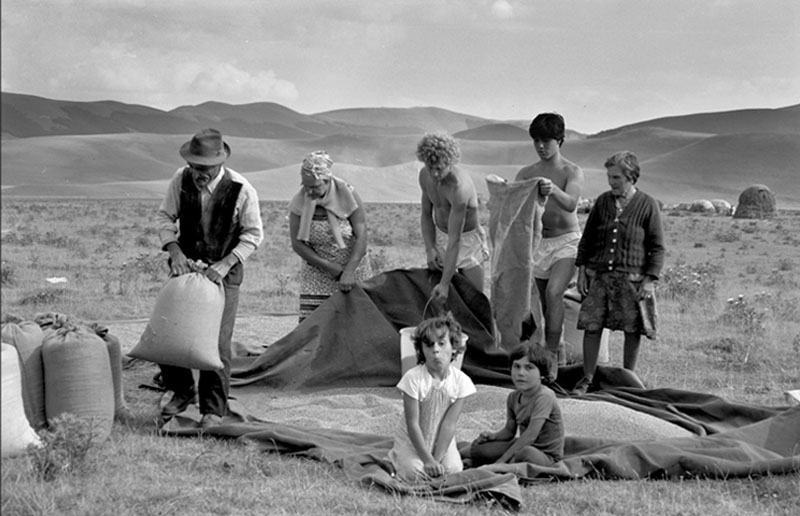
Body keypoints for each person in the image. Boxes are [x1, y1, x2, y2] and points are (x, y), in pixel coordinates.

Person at [155, 128, 264, 428]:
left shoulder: (242, 189)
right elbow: (165, 217)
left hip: (224, 272)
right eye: (193, 166)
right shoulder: (180, 179)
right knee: (170, 332)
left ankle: (213, 409)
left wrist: (226, 264)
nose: (197, 173)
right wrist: (174, 250)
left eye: (204, 168)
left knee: (217, 341)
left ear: (219, 163)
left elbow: (253, 236)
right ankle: (181, 390)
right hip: (186, 265)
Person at [571, 151, 665, 395]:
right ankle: (587, 379)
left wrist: (650, 280)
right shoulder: (602, 202)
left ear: (631, 177)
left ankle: (627, 382)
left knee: (632, 330)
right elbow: (587, 239)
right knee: (592, 327)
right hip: (600, 278)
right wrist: (582, 270)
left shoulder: (647, 204)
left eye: (617, 178)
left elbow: (657, 247)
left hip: (632, 280)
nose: (612, 182)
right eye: (609, 177)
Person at [515, 113, 584, 381]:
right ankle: (555, 355)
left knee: (556, 293)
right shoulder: (527, 173)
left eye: (546, 141)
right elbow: (515, 207)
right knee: (543, 304)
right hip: (538, 242)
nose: (541, 146)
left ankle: (552, 357)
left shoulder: (571, 171)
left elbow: (570, 203)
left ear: (560, 140)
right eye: (536, 141)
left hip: (566, 241)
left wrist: (552, 189)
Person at [388, 312, 476, 482]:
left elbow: (449, 424)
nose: (435, 350)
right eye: (429, 345)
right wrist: (427, 459)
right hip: (412, 439)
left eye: (442, 344)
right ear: (421, 350)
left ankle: (436, 459)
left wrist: (437, 458)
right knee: (414, 473)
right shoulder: (413, 378)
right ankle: (396, 456)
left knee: (453, 470)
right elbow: (412, 423)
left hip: (441, 438)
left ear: (454, 348)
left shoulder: (461, 381)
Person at [289, 150, 372, 322]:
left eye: (314, 187)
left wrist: (349, 272)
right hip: (317, 270)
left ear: (327, 181)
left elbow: (362, 234)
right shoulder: (299, 202)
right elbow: (297, 243)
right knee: (314, 328)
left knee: (355, 325)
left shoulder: (348, 194)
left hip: (353, 268)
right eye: (305, 186)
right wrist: (327, 266)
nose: (309, 192)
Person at [459, 342, 564, 467]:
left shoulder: (544, 397)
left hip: (544, 455)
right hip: (522, 445)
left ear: (542, 373)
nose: (521, 373)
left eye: (529, 368)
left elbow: (530, 436)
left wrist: (501, 461)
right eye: (516, 367)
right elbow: (509, 431)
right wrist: (493, 437)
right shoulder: (513, 397)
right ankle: (464, 457)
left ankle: (501, 465)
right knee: (478, 449)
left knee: (525, 453)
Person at [417, 132, 489, 303]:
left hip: (466, 240)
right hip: (442, 237)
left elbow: (455, 239)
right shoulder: (424, 176)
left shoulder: (459, 188)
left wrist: (444, 283)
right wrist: (430, 248)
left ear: (449, 162)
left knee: (474, 300)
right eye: (430, 167)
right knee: (441, 301)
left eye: (439, 168)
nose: (434, 173)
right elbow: (426, 214)